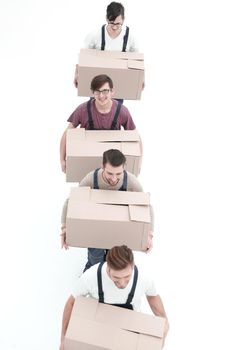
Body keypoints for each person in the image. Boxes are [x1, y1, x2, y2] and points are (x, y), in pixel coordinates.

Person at [59, 245, 169, 350]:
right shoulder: (91, 276)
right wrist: (63, 337)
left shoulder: (143, 278)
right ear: (108, 268)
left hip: (129, 331)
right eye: (116, 277)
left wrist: (164, 320)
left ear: (132, 266)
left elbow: (153, 296)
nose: (122, 283)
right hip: (97, 327)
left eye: (127, 276)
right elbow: (71, 302)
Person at [61, 149, 154, 272]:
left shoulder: (131, 181)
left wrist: (149, 235)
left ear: (124, 168)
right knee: (95, 261)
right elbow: (71, 201)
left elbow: (146, 206)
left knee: (116, 261)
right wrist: (65, 228)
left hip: (119, 230)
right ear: (102, 166)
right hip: (95, 229)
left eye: (118, 174)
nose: (114, 178)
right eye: (110, 173)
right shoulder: (91, 178)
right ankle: (91, 277)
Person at [59, 74, 137, 173]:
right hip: (87, 161)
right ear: (92, 92)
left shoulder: (122, 111)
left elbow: (136, 137)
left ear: (112, 92)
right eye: (97, 92)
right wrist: (62, 160)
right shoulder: (83, 109)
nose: (101, 96)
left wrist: (139, 163)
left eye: (105, 91)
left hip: (112, 166)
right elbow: (67, 133)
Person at [73, 2, 139, 88]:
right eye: (111, 23)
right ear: (106, 19)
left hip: (119, 83)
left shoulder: (130, 37)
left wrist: (141, 78)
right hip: (98, 84)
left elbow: (138, 61)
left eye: (118, 24)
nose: (114, 27)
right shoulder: (95, 35)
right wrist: (77, 73)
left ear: (123, 19)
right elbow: (83, 57)